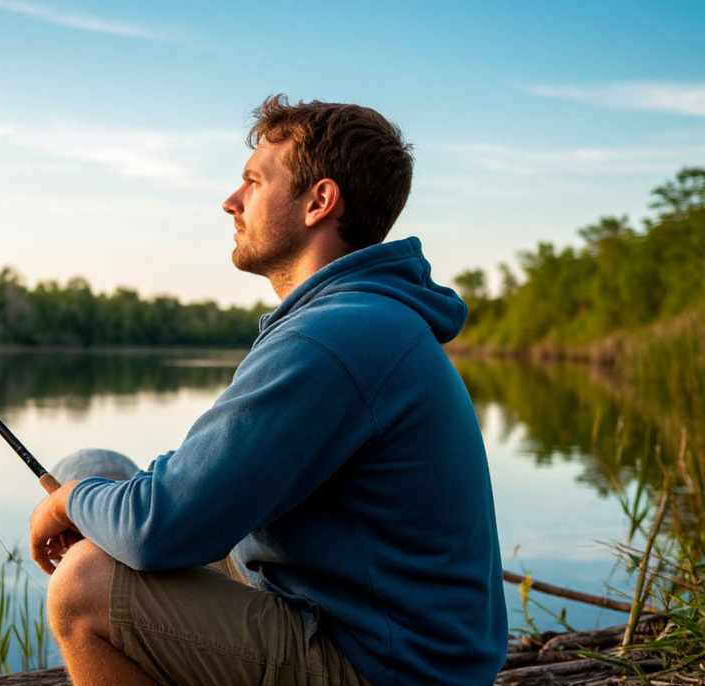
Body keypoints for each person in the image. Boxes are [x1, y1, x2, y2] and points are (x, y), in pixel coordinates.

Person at [29, 95, 508, 686]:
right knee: (97, 468)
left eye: (253, 182)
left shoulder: (335, 336)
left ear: (319, 202)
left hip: (388, 667)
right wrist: (96, 494)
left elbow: (160, 528)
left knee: (83, 584)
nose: (231, 202)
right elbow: (193, 498)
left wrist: (66, 500)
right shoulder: (361, 319)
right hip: (362, 624)